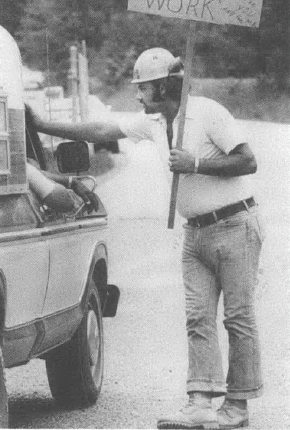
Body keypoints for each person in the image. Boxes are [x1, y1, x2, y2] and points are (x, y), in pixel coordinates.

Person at [33, 47, 264, 430]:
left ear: (161, 86)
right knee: (197, 318)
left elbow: (247, 160)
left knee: (238, 318)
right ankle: (201, 402)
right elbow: (101, 131)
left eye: (142, 88)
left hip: (235, 224)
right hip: (196, 232)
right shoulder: (155, 122)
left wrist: (196, 164)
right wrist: (42, 125)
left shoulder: (207, 112)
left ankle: (237, 406)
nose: (137, 95)